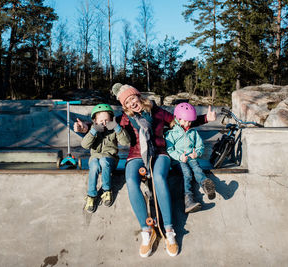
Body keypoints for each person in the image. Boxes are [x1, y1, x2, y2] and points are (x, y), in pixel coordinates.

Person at [74, 83, 217, 258]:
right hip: (135, 155)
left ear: (138, 96)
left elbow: (180, 121)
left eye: (132, 98)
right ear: (125, 106)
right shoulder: (124, 118)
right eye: (127, 102)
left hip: (160, 153)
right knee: (132, 182)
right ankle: (146, 230)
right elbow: (103, 124)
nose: (131, 103)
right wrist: (86, 127)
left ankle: (170, 231)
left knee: (158, 177)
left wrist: (204, 119)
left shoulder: (157, 112)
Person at [165, 102, 216, 214]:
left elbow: (200, 146)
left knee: (198, 170)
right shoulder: (171, 133)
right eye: (185, 121)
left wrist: (197, 154)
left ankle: (206, 185)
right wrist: (179, 156)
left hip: (191, 158)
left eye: (190, 121)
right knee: (187, 173)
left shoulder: (193, 132)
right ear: (178, 119)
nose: (188, 123)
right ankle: (188, 200)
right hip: (178, 161)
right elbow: (169, 149)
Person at [80, 103, 130, 213]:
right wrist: (93, 131)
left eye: (107, 120)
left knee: (103, 161)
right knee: (94, 166)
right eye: (101, 121)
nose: (104, 123)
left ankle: (107, 190)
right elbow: (84, 145)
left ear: (111, 120)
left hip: (110, 159)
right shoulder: (93, 130)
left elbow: (126, 142)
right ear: (95, 121)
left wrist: (117, 128)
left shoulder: (114, 130)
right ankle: (91, 195)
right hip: (95, 158)